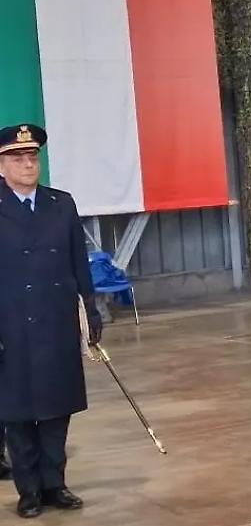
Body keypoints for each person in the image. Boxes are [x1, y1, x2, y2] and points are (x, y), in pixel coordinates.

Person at [0, 124, 102, 518]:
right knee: (18, 412)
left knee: (57, 408)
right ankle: (28, 491)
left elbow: (79, 263)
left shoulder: (61, 203)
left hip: (57, 321)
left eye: (32, 157)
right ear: (2, 165)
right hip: (10, 325)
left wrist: (91, 309)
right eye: (16, 158)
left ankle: (55, 484)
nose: (27, 164)